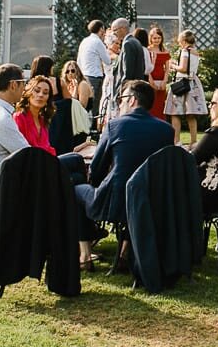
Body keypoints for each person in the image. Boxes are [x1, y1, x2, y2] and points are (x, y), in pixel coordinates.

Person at [74, 79, 174, 263]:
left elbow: (97, 167)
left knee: (77, 190)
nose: (119, 103)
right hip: (150, 200)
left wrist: (95, 184)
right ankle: (125, 250)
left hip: (116, 201)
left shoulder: (115, 125)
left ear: (132, 100)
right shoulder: (166, 130)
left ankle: (85, 254)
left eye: (121, 98)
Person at [164, 29, 208, 146]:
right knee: (191, 114)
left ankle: (176, 140)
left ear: (183, 41)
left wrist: (173, 65)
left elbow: (183, 68)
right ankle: (193, 141)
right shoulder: (195, 52)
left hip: (182, 82)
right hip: (193, 82)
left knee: (175, 112)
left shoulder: (184, 51)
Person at [49, 63, 94, 155]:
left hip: (83, 120)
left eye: (73, 71)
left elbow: (82, 106)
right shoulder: (67, 85)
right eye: (67, 71)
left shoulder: (82, 84)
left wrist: (75, 90)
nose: (70, 73)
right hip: (73, 120)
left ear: (78, 71)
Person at [14, 75, 57, 155]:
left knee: (76, 157)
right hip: (29, 163)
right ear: (29, 93)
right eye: (37, 91)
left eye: (45, 93)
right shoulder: (19, 118)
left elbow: (48, 149)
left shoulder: (43, 120)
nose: (41, 95)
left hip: (47, 162)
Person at [75, 20, 109, 116]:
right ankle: (93, 126)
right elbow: (107, 60)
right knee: (95, 104)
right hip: (95, 76)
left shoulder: (84, 41)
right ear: (101, 29)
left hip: (84, 75)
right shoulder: (98, 42)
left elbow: (79, 60)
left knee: (85, 102)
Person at [145, 25, 172, 120]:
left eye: (159, 38)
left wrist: (165, 81)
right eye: (155, 38)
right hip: (151, 80)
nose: (157, 40)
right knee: (151, 104)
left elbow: (167, 68)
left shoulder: (165, 51)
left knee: (161, 105)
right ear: (151, 38)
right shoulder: (147, 51)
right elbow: (146, 67)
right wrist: (150, 80)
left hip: (161, 81)